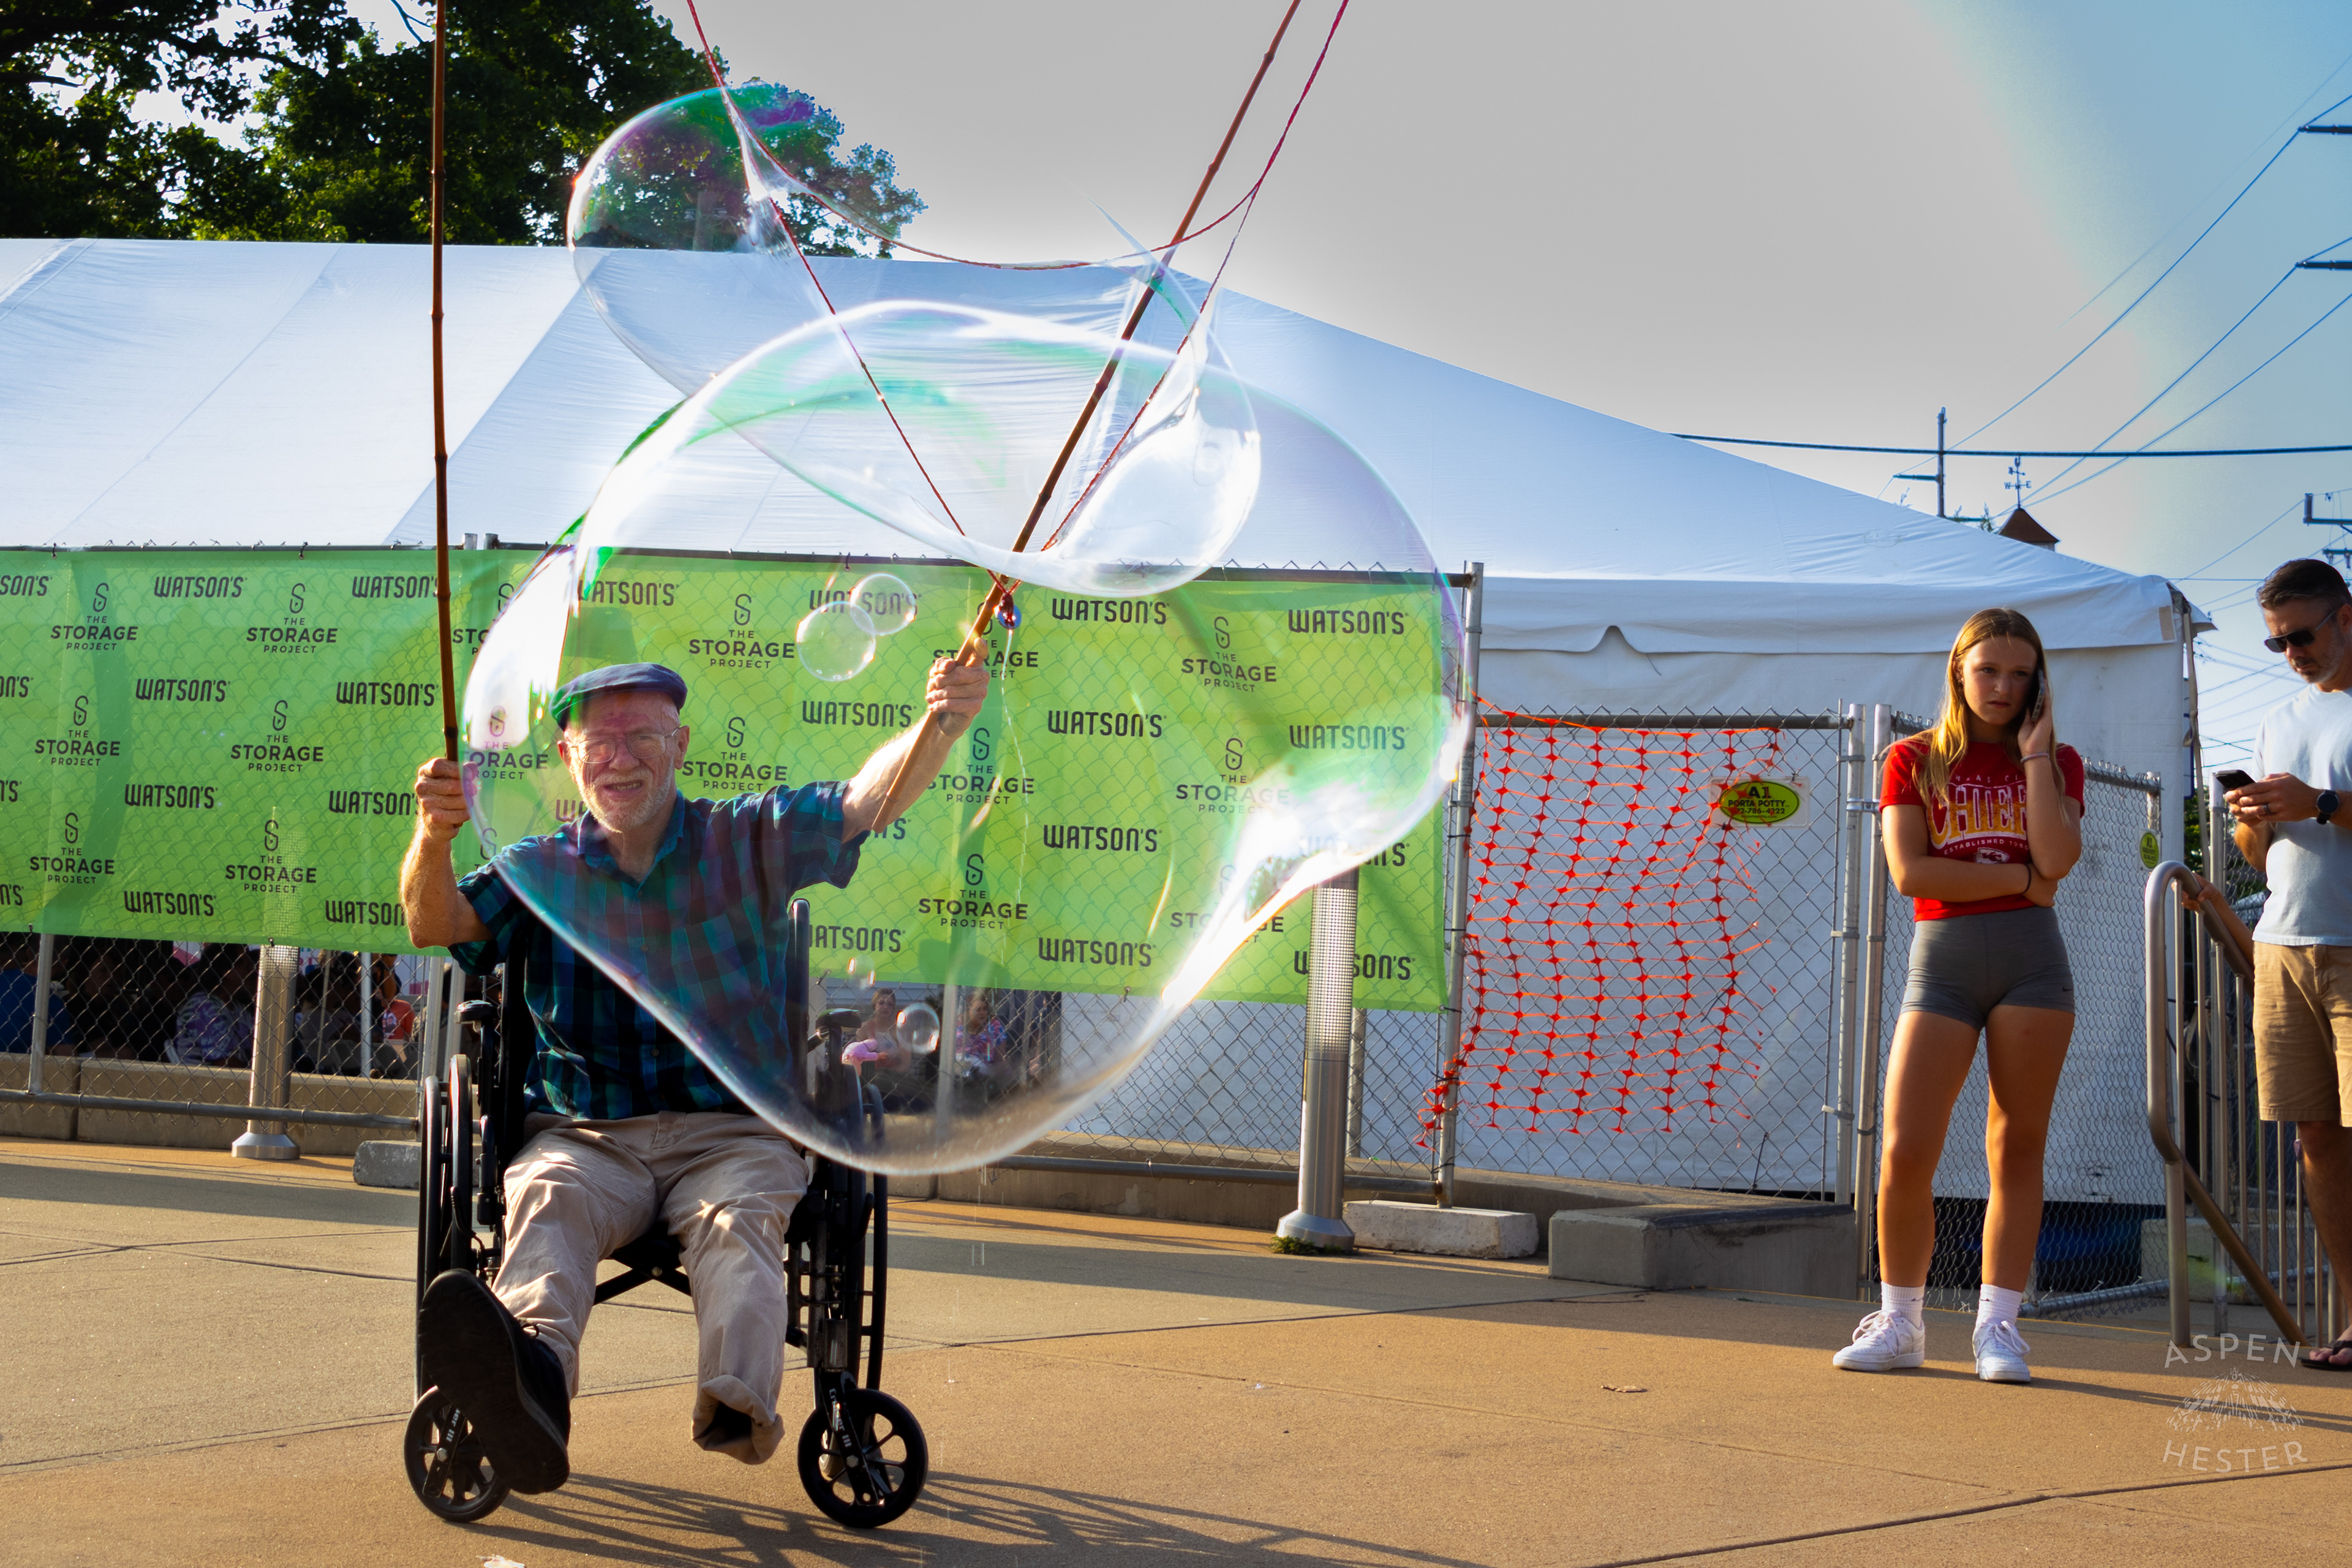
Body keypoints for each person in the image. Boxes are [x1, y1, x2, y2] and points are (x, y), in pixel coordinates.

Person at [401, 655, 986, 1494]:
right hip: (587, 1137)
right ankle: (527, 1397)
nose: (620, 757)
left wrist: (944, 721)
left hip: (733, 1134)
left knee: (739, 1220)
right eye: (598, 743)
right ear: (569, 759)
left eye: (642, 736)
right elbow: (435, 923)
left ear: (680, 744)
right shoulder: (541, 870)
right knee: (547, 1200)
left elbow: (863, 802)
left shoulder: (745, 839)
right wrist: (435, 835)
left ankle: (736, 1404)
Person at [1836, 608, 2082, 1384]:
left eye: (2020, 673)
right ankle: (1902, 1320)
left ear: (2039, 679)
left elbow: (2061, 859)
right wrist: (2017, 880)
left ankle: (1998, 1325)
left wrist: (2037, 758)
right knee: (1907, 1147)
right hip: (1940, 965)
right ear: (1959, 670)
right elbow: (1913, 873)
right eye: (1989, 670)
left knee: (2016, 1144)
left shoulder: (2059, 759)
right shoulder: (1911, 757)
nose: (2004, 686)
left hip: (2033, 970)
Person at [2224, 557, 2352, 1372]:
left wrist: (2323, 804)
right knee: (2317, 1140)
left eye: (2301, 635)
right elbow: (2261, 856)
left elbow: (2324, 809)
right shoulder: (2280, 718)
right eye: (2275, 643)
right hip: (2286, 943)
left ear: (2348, 618)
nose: (2291, 653)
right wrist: (2253, 819)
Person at [167, 946, 258, 1068]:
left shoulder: (241, 1008)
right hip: (206, 1081)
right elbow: (224, 1063)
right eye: (246, 967)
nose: (252, 971)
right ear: (227, 971)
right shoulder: (203, 1006)